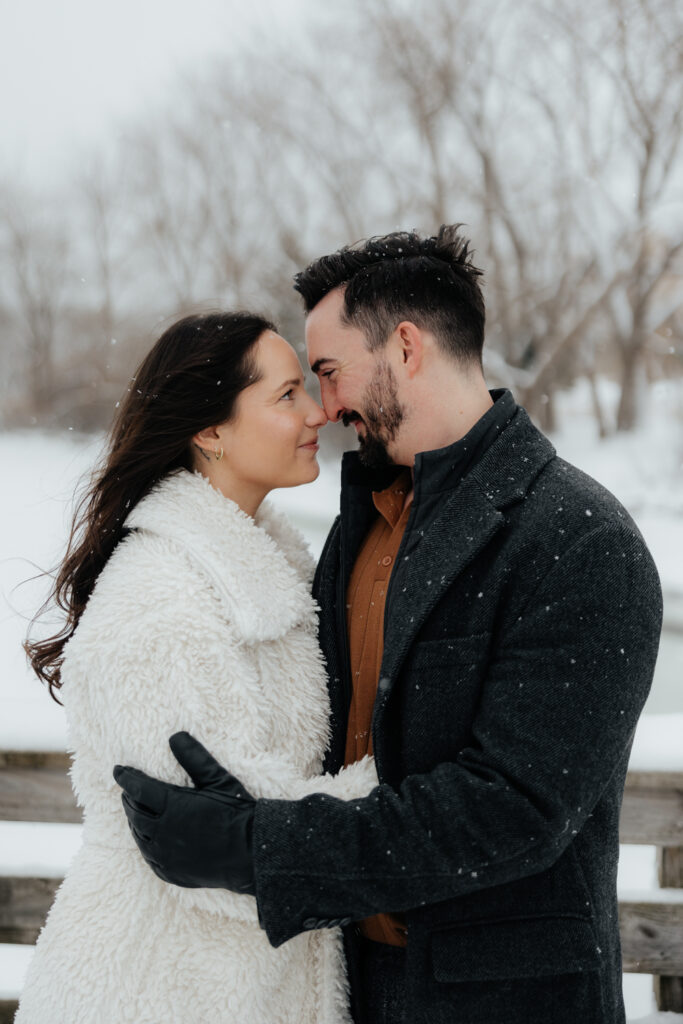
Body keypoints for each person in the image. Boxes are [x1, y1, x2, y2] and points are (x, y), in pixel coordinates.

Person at [116, 227, 663, 1024]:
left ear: (405, 347)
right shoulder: (364, 522)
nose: (326, 406)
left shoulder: (579, 540)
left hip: (505, 1003)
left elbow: (512, 810)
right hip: (352, 990)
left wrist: (259, 849)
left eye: (330, 372)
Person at [17, 312, 379, 1024]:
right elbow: (208, 848)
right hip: (154, 988)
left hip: (240, 985)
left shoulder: (261, 572)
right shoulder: (161, 598)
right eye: (284, 396)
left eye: (308, 386)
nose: (315, 412)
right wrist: (408, 788)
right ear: (209, 431)